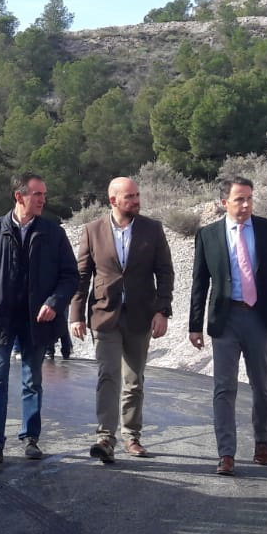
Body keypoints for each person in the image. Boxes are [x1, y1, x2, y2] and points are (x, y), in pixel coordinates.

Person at [0, 173, 79, 463]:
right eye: (37, 194)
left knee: (32, 381)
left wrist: (54, 303)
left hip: (36, 321)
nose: (42, 200)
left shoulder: (53, 233)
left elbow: (70, 276)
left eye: (44, 194)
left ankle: (30, 438)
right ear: (19, 196)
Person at [187, 176, 267, 476]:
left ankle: (262, 440)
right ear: (224, 202)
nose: (246, 204)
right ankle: (226, 453)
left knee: (263, 386)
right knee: (224, 388)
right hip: (225, 319)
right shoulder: (208, 235)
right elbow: (199, 282)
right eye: (239, 199)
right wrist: (194, 325)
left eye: (249, 198)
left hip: (260, 317)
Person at [70, 177, 174, 463]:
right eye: (129, 196)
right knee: (108, 376)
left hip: (141, 315)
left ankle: (132, 436)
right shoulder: (93, 231)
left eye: (137, 195)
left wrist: (162, 310)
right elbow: (82, 276)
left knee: (134, 380)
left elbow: (165, 272)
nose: (136, 201)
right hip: (104, 314)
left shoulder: (152, 229)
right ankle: (105, 437)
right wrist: (76, 314)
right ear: (113, 200)